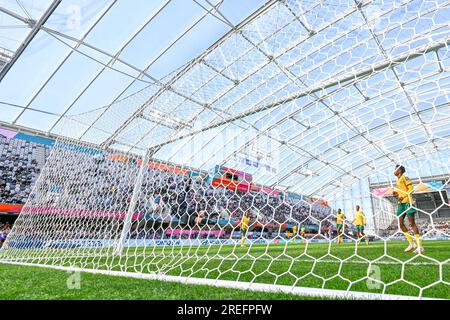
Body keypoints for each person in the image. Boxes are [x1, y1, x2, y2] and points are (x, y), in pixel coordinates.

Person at [393, 165, 423, 253]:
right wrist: (397, 195)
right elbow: (401, 191)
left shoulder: (405, 177)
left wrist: (403, 196)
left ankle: (420, 246)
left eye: (395, 169)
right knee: (400, 223)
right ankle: (411, 243)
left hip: (408, 202)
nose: (394, 171)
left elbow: (411, 189)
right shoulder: (397, 180)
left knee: (412, 223)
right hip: (401, 204)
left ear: (400, 170)